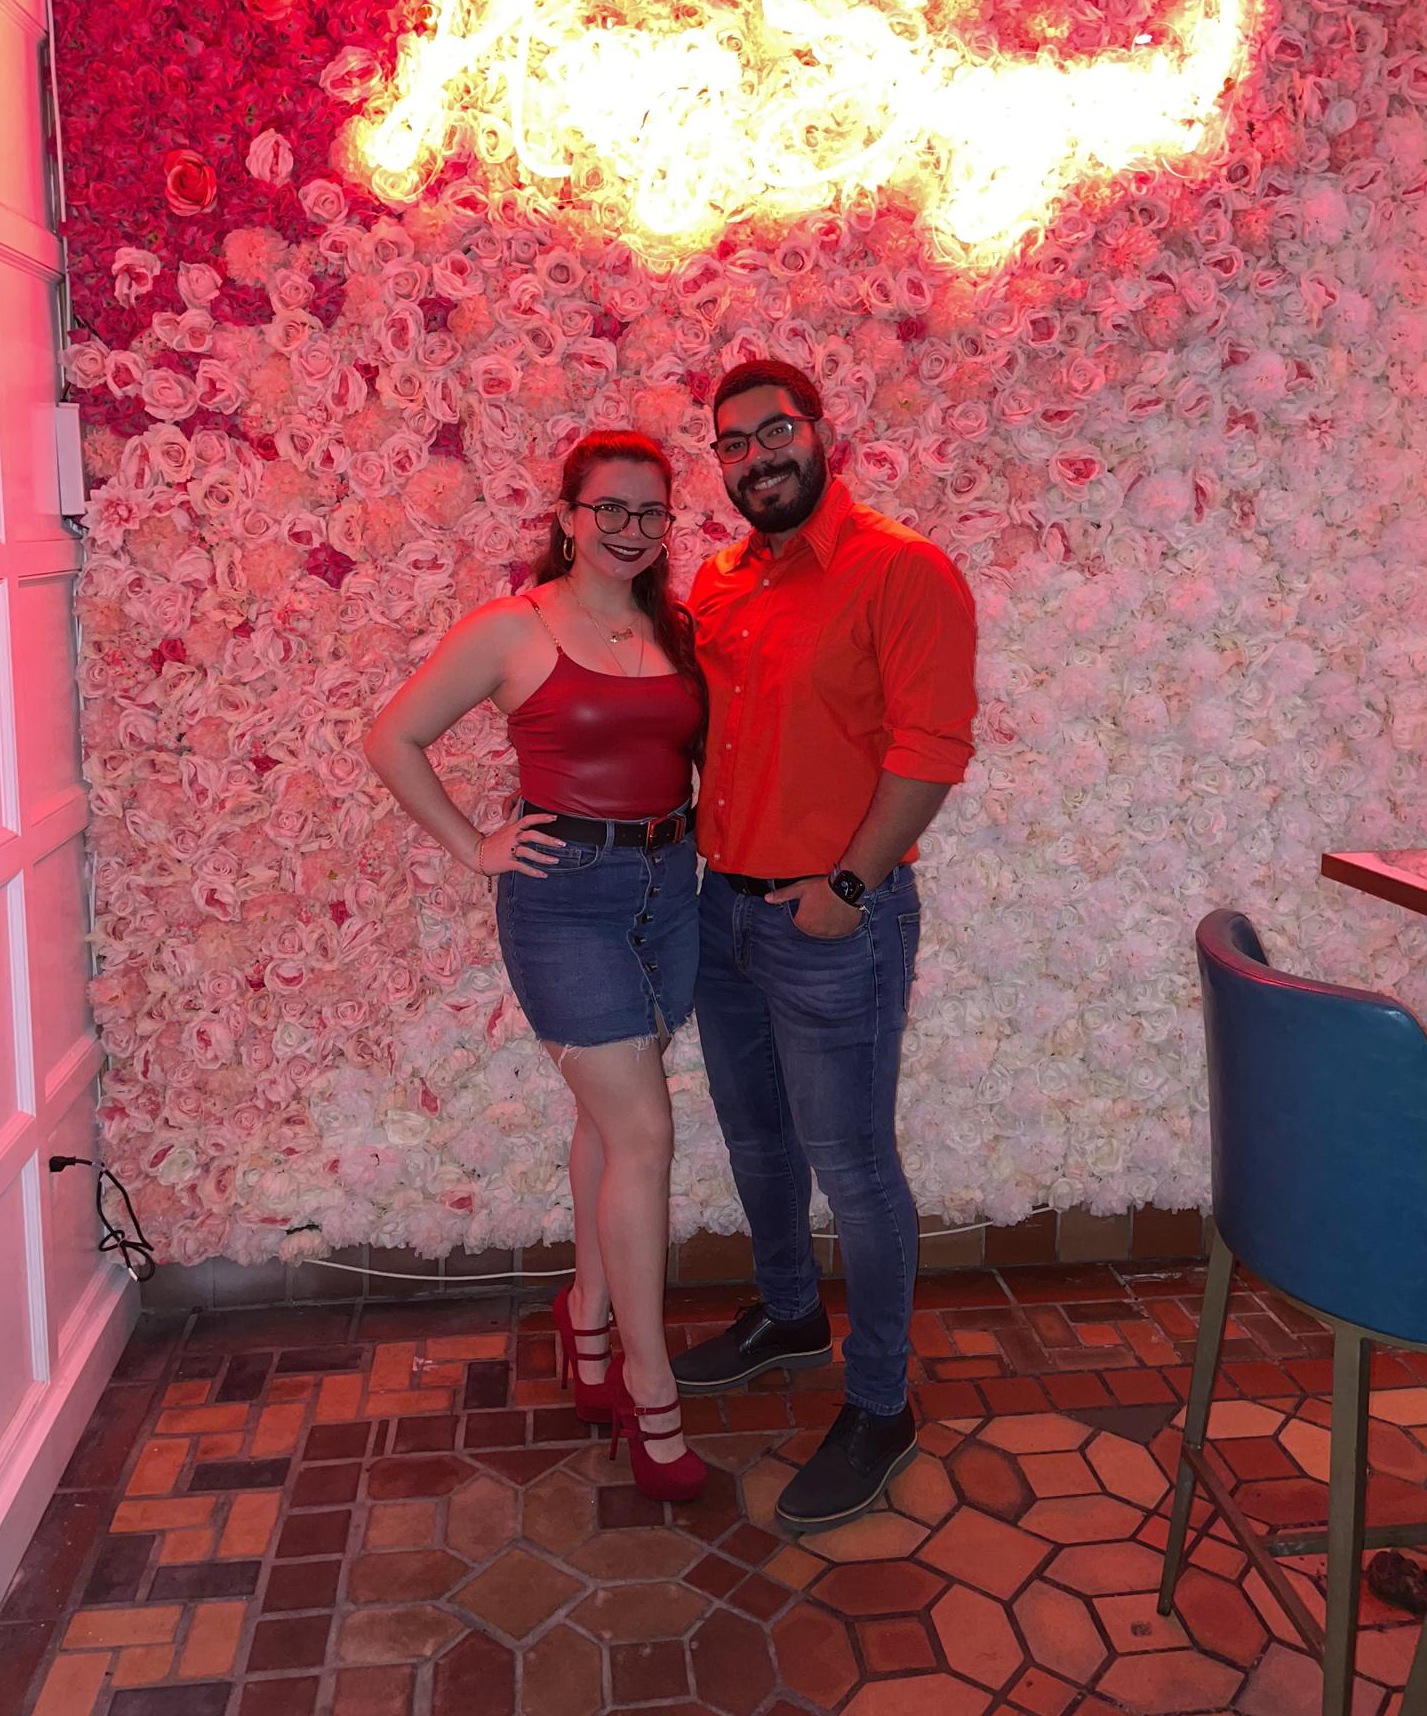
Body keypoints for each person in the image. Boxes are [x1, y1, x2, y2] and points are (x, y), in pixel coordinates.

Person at [364, 430, 708, 1504]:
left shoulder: (675, 627)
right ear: (567, 516)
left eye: (650, 511)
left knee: (609, 1122)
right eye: (609, 508)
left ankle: (588, 1316)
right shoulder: (512, 627)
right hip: (566, 900)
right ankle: (650, 1387)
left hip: (670, 889)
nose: (630, 530)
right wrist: (475, 845)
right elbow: (391, 739)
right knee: (643, 1133)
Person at [676, 357, 978, 1532]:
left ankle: (880, 1402)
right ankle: (790, 1311)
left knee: (851, 1165)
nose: (757, 456)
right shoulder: (719, 580)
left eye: (776, 430)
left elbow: (932, 748)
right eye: (733, 442)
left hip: (834, 920)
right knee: (756, 1137)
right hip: (724, 909)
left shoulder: (900, 568)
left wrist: (849, 885)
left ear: (821, 433)